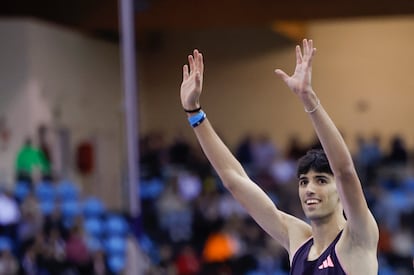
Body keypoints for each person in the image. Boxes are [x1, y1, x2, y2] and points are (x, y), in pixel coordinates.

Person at [179, 39, 379, 274]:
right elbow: (234, 180)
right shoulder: (298, 240)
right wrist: (194, 113)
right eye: (304, 182)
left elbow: (344, 171)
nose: (309, 189)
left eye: (321, 180)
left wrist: (308, 99)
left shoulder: (357, 238)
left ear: (340, 192)